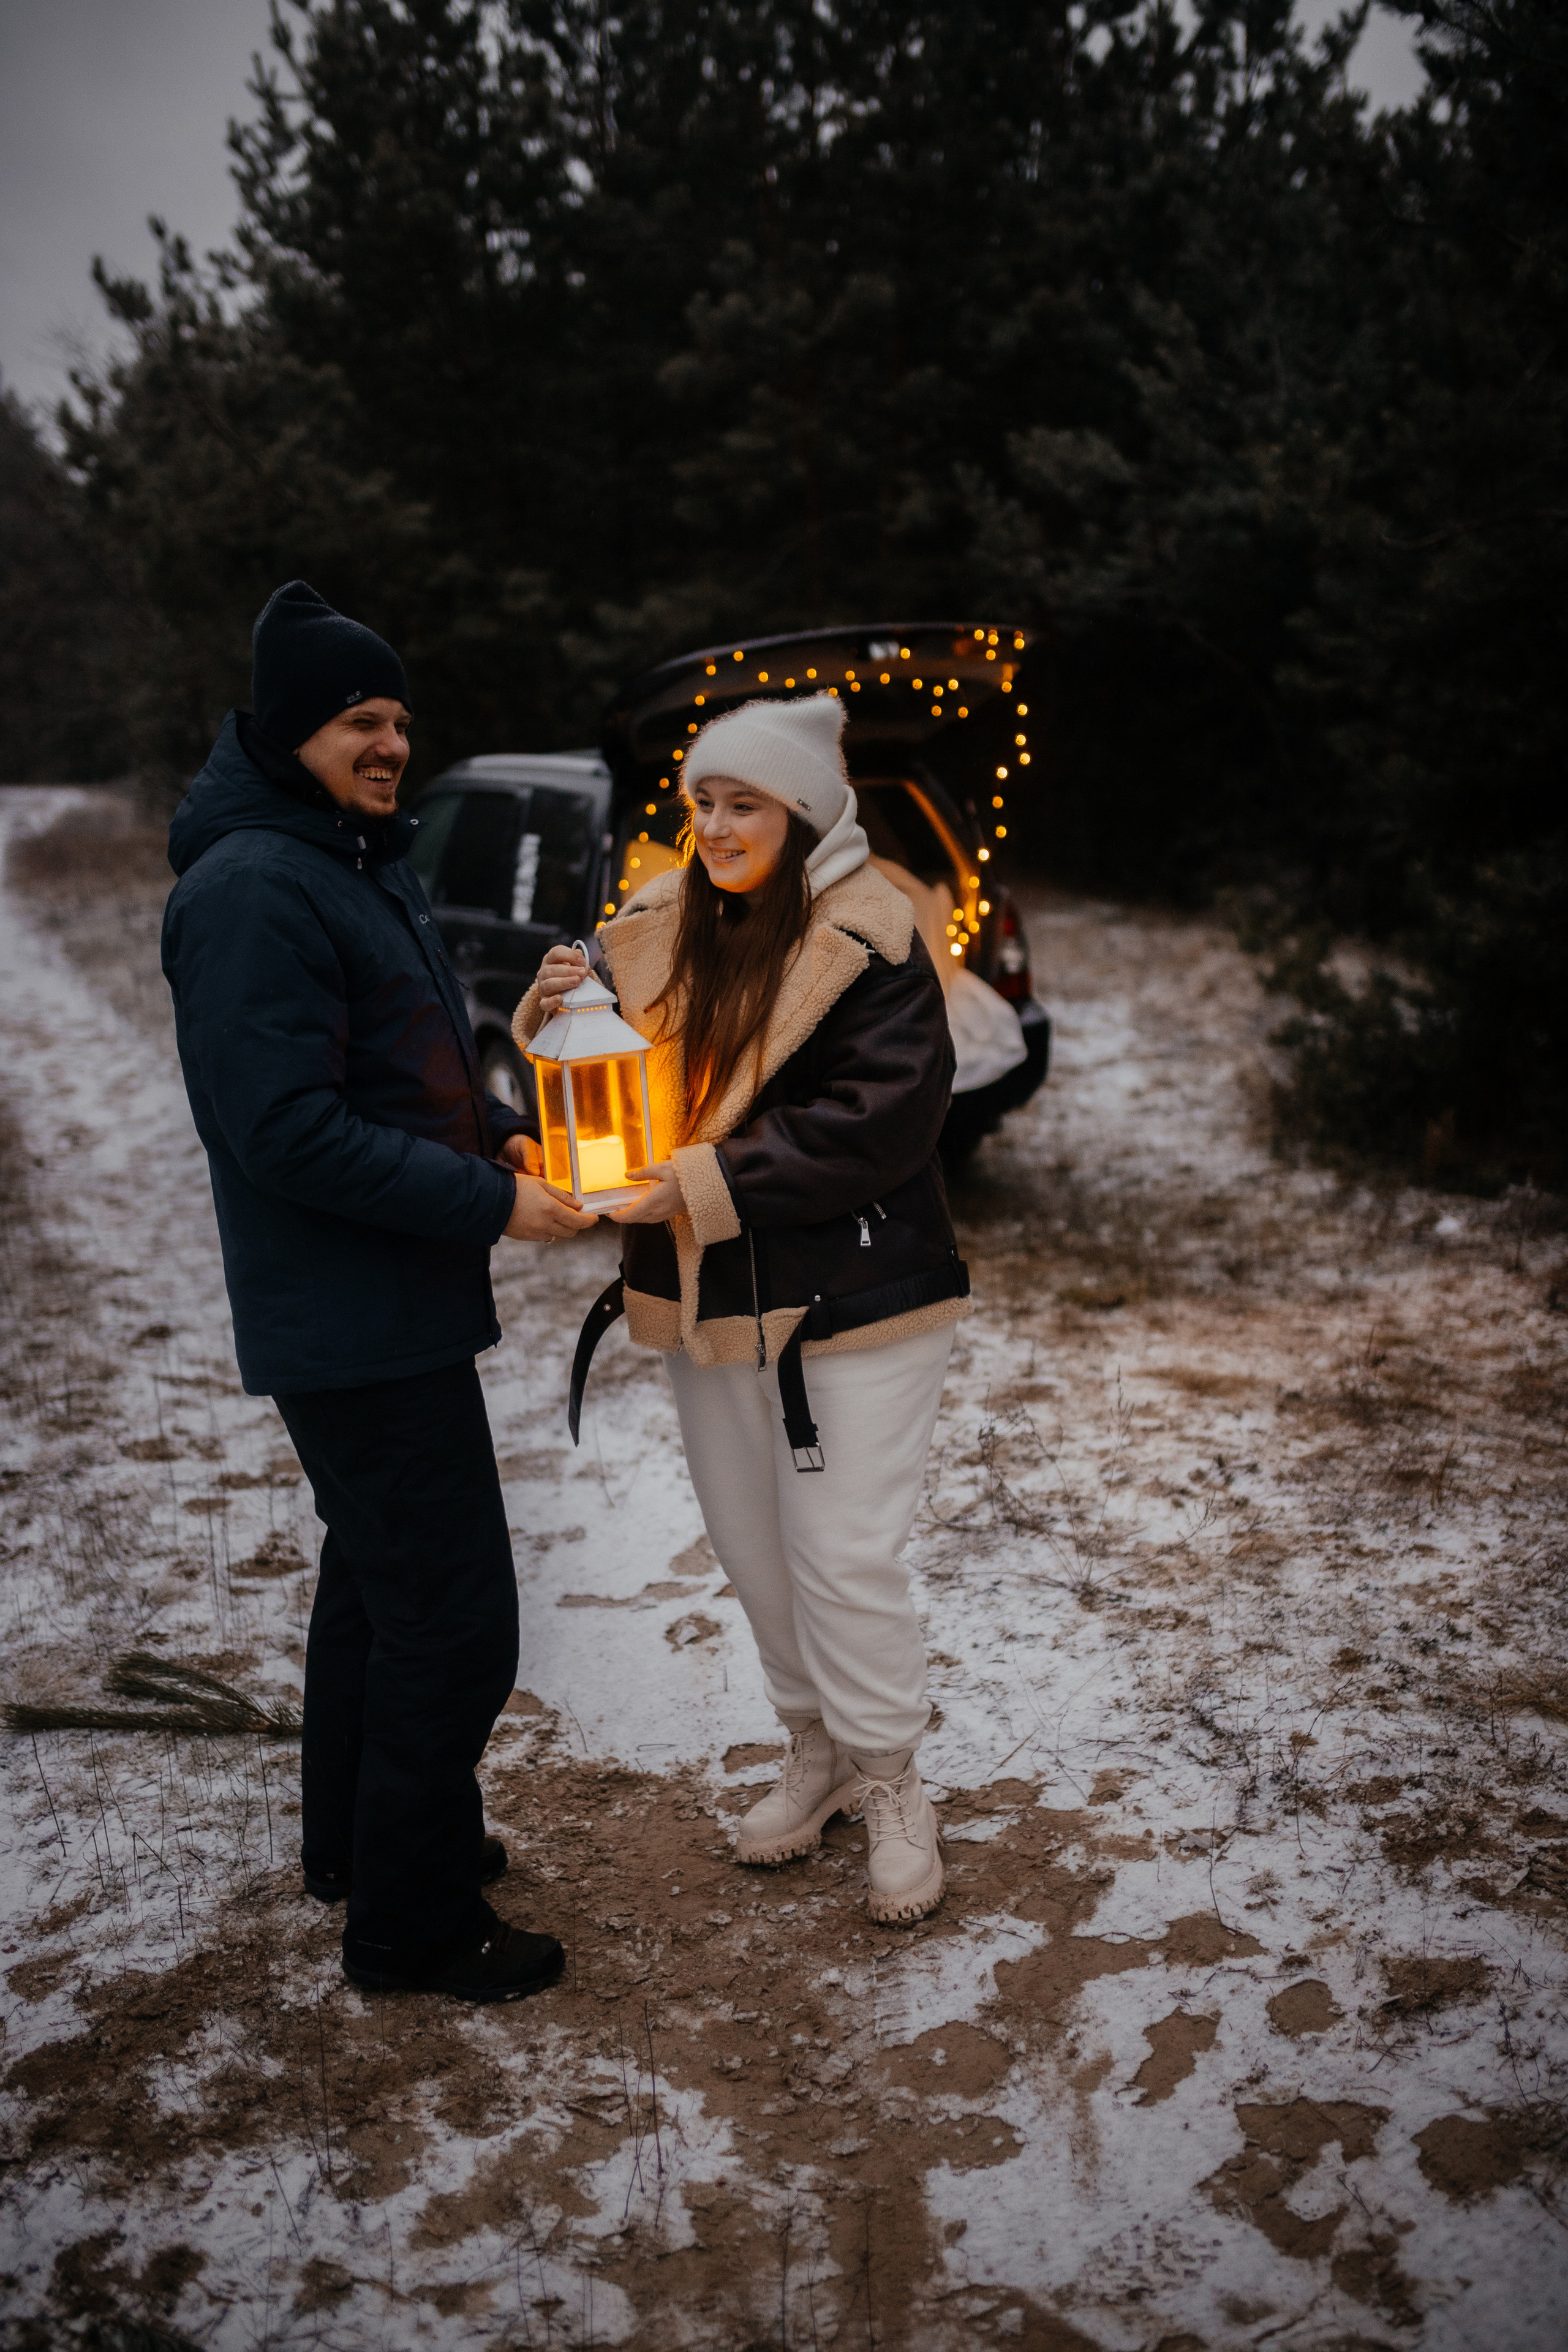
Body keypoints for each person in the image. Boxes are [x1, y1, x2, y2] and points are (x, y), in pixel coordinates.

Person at [162, 579, 596, 2001]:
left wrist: (494, 1135)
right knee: (453, 1618)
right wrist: (489, 1203)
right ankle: (410, 1928)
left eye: (401, 718)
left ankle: (366, 1845)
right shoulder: (251, 888)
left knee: (374, 1584)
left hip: (384, 1301)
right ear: (294, 730)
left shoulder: (345, 859)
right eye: (361, 718)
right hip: (350, 1315)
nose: (391, 741)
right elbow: (280, 1131)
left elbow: (392, 1077)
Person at [514, 693, 967, 1923]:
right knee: (756, 1554)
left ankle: (891, 1782)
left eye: (742, 804)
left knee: (840, 1555)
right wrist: (554, 1009)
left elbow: (882, 1118)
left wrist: (701, 1180)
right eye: (703, 801)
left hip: (853, 1298)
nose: (712, 825)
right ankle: (812, 1753)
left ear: (802, 813)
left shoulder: (871, 936)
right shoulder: (657, 923)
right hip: (706, 1297)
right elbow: (586, 1072)